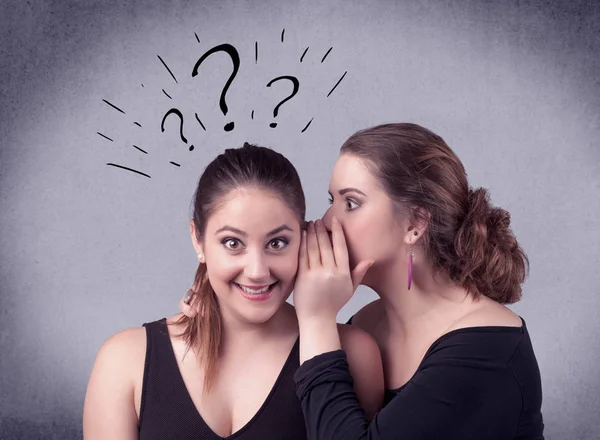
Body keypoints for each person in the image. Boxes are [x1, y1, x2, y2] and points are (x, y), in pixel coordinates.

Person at [83, 142, 383, 440]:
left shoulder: (356, 355)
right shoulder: (124, 362)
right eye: (232, 243)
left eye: (277, 243)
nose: (257, 271)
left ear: (304, 241)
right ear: (198, 241)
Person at [292, 123, 545, 439]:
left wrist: (316, 318)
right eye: (332, 200)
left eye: (351, 203)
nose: (328, 221)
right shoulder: (367, 323)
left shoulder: (486, 351)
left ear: (415, 223)